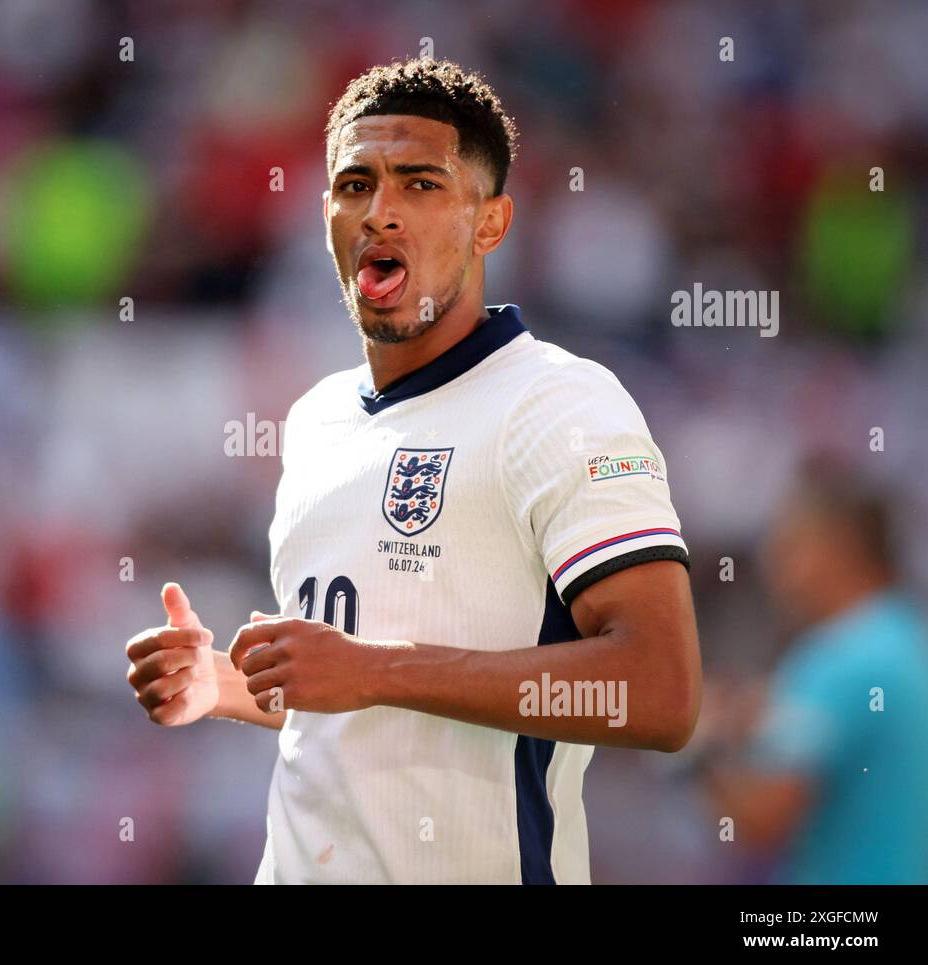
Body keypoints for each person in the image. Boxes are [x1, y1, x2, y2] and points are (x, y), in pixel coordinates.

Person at [125, 58, 701, 884]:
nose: (380, 211)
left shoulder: (560, 405)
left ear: (490, 222)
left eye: (421, 184)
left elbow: (658, 693)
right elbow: (346, 700)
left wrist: (373, 669)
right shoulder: (318, 418)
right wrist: (220, 684)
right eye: (355, 185)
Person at [702, 464, 928, 883]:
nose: (773, 565)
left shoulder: (836, 660)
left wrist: (696, 748)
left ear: (839, 547)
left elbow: (763, 821)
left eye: (790, 545)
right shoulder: (906, 639)